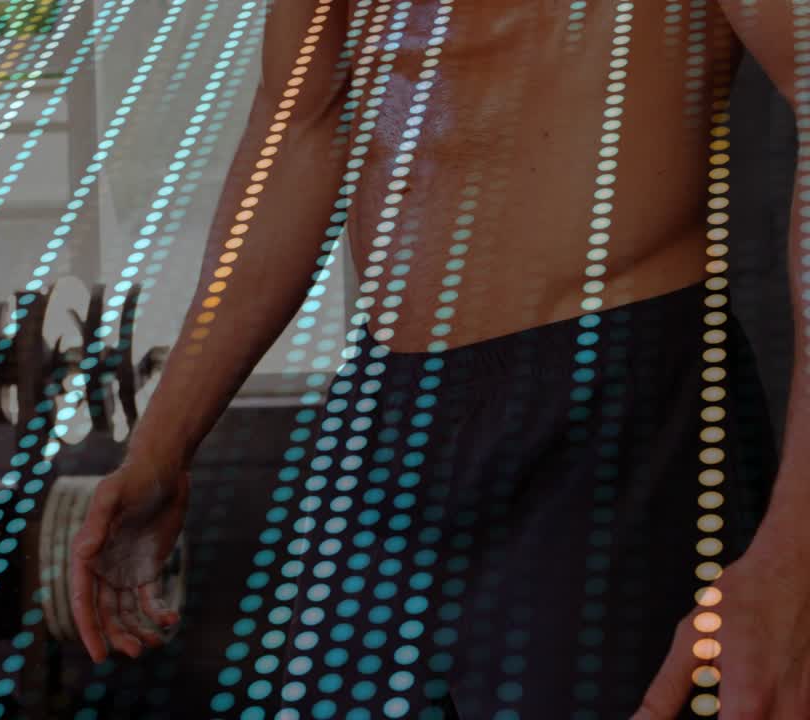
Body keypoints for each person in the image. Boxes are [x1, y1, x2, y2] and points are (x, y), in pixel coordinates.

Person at [68, 1, 810, 717]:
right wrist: (162, 445)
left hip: (615, 409)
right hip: (388, 417)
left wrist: (795, 558)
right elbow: (302, 120)